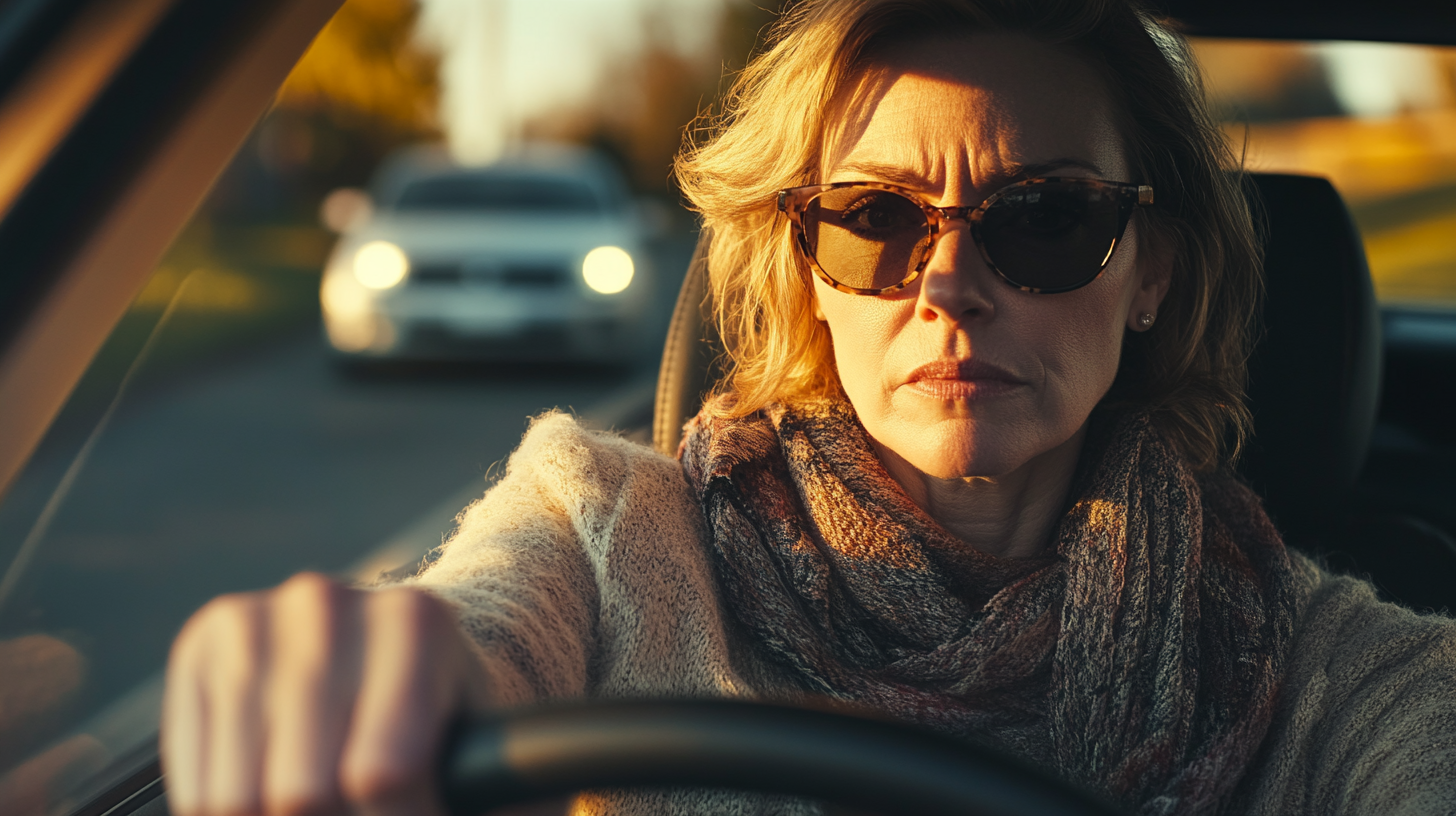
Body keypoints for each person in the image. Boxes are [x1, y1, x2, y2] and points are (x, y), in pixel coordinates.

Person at [161, 0, 1456, 814]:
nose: (949, 286)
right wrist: (377, 674)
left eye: (1048, 219)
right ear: (805, 270)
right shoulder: (606, 526)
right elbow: (481, 623)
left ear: (1152, 272)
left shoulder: (1320, 665)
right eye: (877, 218)